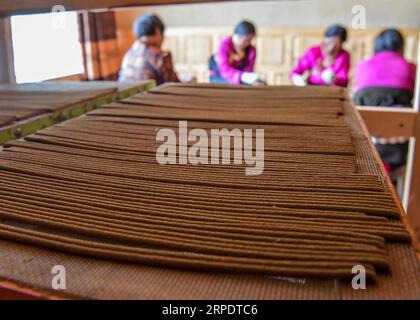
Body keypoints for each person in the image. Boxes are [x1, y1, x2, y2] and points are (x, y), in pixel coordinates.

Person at [354, 29, 417, 176]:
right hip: (400, 151)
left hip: (364, 149)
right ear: (401, 47)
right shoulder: (410, 68)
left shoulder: (362, 67)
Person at [118, 14, 180, 85]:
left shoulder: (129, 54)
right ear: (158, 31)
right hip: (148, 96)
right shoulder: (161, 56)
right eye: (163, 34)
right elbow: (174, 86)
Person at [212, 20, 260, 85]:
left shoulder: (251, 49)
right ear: (238, 36)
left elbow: (249, 70)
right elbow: (224, 69)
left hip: (241, 80)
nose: (249, 42)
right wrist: (241, 76)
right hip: (222, 77)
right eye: (247, 39)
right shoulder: (225, 45)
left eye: (251, 39)